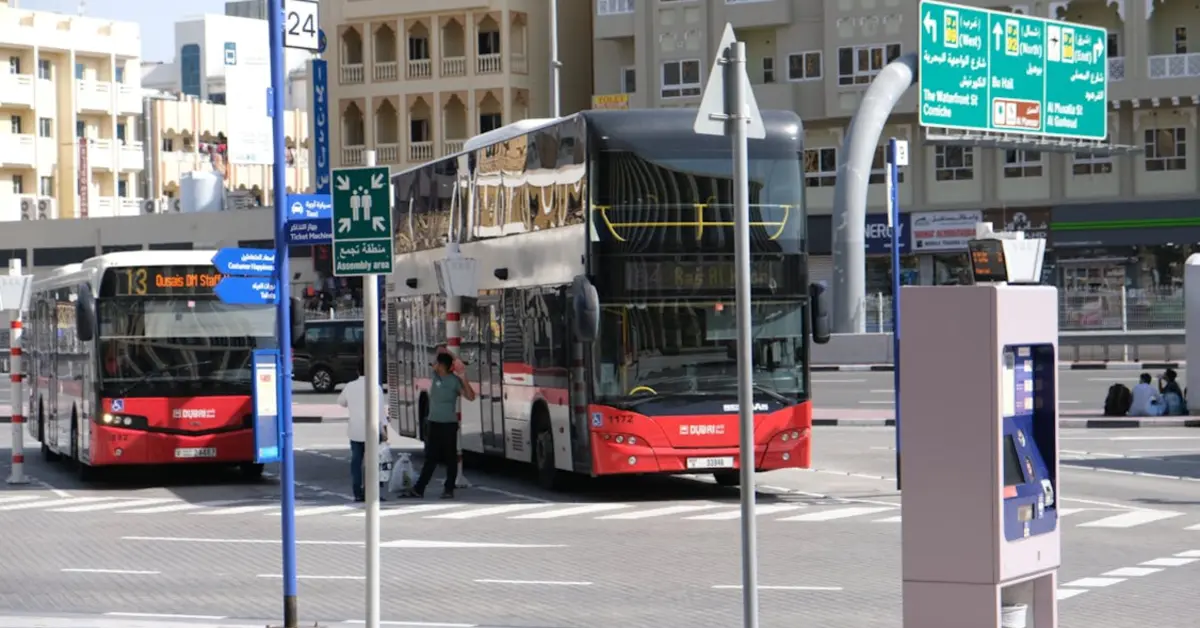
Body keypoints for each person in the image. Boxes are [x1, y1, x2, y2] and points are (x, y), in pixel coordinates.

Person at [399, 352, 476, 499]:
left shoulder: (454, 381)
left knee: (450, 459)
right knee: (431, 458)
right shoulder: (435, 376)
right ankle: (419, 489)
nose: (434, 365)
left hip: (449, 424)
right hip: (434, 423)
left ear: (442, 366)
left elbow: (471, 397)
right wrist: (455, 357)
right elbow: (441, 348)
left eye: (437, 363)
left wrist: (463, 377)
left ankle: (449, 489)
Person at [337, 358, 388, 502]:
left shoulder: (350, 386)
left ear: (357, 371)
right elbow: (380, 412)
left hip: (355, 431)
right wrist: (384, 431)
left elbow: (341, 402)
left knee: (356, 462)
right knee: (373, 463)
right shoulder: (375, 387)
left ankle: (357, 492)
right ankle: (372, 491)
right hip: (372, 431)